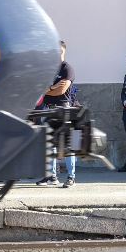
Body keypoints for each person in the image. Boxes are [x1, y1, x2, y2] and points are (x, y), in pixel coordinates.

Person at [36, 40, 77, 188]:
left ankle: (71, 177)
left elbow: (61, 90)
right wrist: (52, 87)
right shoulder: (48, 69)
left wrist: (49, 89)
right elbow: (39, 88)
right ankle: (51, 176)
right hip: (48, 109)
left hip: (63, 109)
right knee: (49, 145)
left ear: (62, 51)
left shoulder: (68, 69)